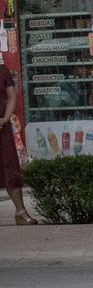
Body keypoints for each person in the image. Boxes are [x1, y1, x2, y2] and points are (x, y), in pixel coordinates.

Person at [0, 60, 36, 225]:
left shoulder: (2, 69)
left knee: (10, 167)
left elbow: (11, 96)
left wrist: (5, 118)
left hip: (2, 127)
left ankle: (20, 212)